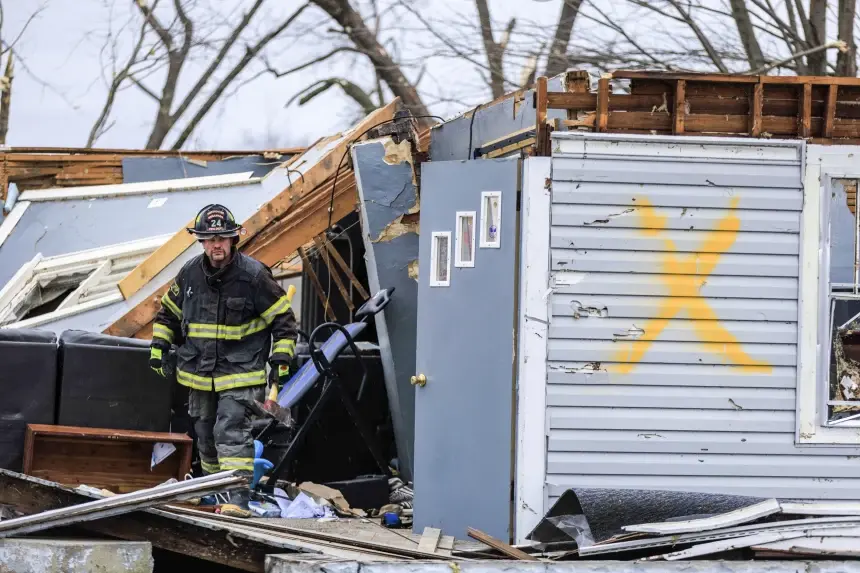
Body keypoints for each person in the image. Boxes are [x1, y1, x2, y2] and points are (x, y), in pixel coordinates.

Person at [149, 204, 297, 518]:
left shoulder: (254, 276)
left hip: (240, 374)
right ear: (200, 242)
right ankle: (212, 492)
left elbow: (284, 320)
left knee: (230, 432)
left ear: (233, 239)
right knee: (204, 434)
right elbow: (168, 314)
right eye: (209, 239)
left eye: (223, 238)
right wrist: (160, 344)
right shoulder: (189, 273)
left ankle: (239, 499)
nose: (216, 244)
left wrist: (282, 356)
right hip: (199, 374)